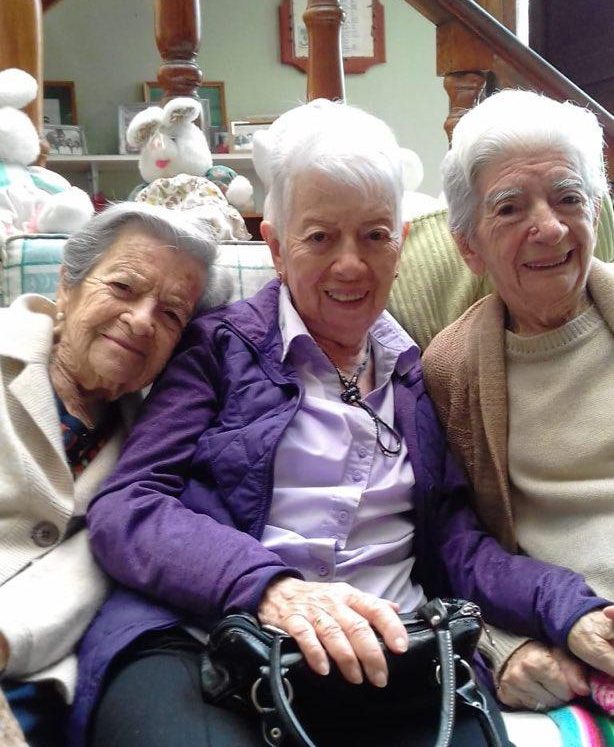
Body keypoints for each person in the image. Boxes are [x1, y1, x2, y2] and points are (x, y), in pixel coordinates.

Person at [73, 100, 607, 747]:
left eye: (375, 235)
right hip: (206, 639)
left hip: (390, 649)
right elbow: (129, 505)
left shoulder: (423, 373)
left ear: (401, 244)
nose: (351, 265)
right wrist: (265, 585)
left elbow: (458, 546)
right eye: (321, 237)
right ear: (275, 246)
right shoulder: (218, 349)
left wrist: (571, 608)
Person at [0, 201, 229, 747]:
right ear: (67, 287)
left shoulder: (154, 451)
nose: (143, 319)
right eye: (124, 288)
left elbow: (98, 568)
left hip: (35, 676)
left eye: (172, 314)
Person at [422, 88, 614, 714]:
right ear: (469, 246)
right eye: (510, 208)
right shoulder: (449, 373)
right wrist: (502, 645)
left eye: (569, 197)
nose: (551, 227)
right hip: (579, 638)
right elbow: (449, 543)